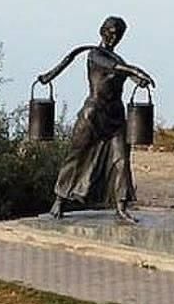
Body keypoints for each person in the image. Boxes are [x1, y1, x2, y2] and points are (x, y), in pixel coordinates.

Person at [37, 15, 154, 222]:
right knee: (77, 156)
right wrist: (135, 70)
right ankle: (60, 199)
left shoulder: (118, 60)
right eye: (110, 32)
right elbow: (115, 68)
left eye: (118, 34)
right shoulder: (94, 55)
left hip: (115, 117)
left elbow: (126, 73)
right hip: (93, 114)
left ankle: (121, 206)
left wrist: (139, 79)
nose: (113, 37)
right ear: (102, 31)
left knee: (121, 160)